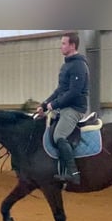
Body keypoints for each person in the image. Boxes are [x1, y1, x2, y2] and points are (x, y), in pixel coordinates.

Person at [36, 32, 89, 185]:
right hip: (64, 107)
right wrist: (45, 105)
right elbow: (60, 90)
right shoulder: (67, 64)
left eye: (64, 44)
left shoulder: (78, 65)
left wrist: (54, 105)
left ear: (72, 46)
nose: (61, 47)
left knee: (59, 135)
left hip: (75, 108)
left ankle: (73, 173)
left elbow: (74, 92)